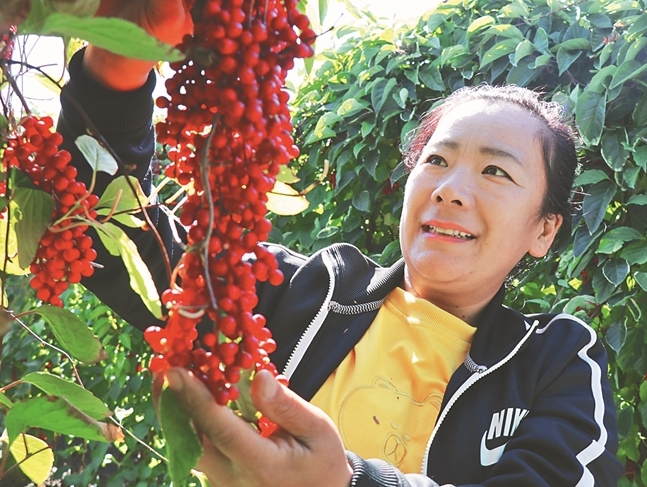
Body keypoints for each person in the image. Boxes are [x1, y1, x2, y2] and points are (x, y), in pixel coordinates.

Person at [56, 1, 624, 485]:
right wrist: (118, 63)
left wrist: (350, 482)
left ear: (544, 229)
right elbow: (110, 238)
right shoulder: (302, 294)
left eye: (495, 171)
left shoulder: (558, 362)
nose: (450, 189)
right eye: (436, 160)